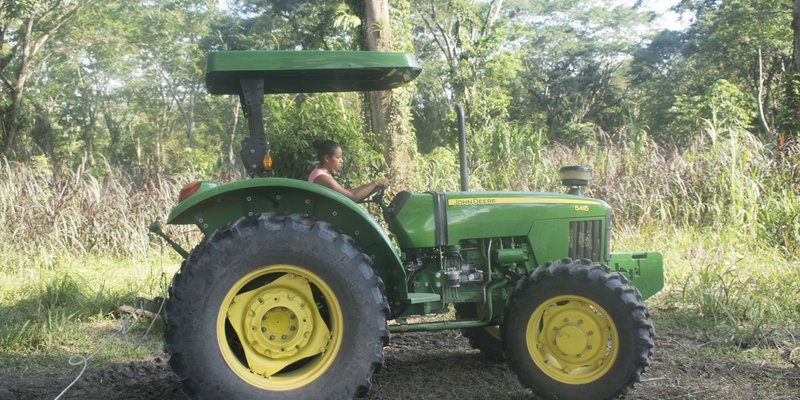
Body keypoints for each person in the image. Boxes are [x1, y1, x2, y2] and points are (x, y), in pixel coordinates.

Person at [308, 139, 390, 202]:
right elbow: (352, 197)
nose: (341, 160)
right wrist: (375, 183)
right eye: (338, 157)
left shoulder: (320, 173)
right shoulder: (323, 178)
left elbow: (348, 192)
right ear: (326, 158)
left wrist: (370, 185)